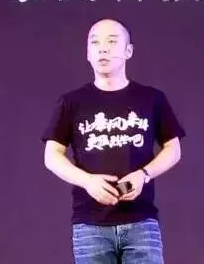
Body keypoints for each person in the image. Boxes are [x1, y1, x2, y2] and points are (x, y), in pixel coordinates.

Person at [41, 18, 186, 264]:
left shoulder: (152, 98)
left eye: (111, 42)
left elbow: (173, 148)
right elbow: (52, 155)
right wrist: (87, 181)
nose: (103, 49)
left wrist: (144, 174)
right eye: (95, 43)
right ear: (88, 53)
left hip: (141, 222)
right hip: (90, 225)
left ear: (128, 51)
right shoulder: (71, 102)